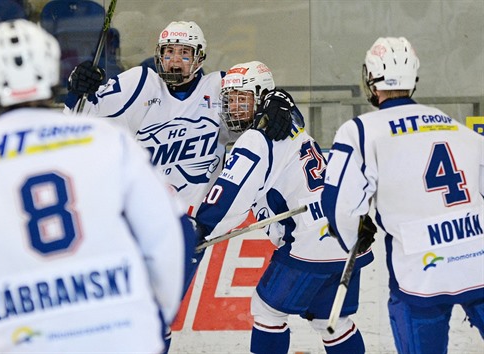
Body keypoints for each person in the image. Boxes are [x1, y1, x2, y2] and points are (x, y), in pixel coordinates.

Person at [0, 19, 192, 354]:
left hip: (22, 337)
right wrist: (155, 316)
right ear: (51, 72)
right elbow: (172, 231)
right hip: (118, 332)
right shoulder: (109, 140)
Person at [65, 20, 291, 350]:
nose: (174, 60)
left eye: (183, 53)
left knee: (155, 316)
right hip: (134, 223)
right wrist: (77, 88)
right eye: (168, 52)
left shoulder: (220, 87)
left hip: (187, 229)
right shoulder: (140, 84)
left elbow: (262, 93)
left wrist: (281, 100)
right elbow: (79, 117)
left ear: (199, 58)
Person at [195, 61, 374, 354]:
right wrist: (278, 97)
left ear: (262, 97)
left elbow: (230, 199)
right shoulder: (289, 121)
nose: (235, 108)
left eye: (244, 98)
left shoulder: (255, 138)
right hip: (343, 232)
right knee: (332, 321)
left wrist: (200, 228)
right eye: (231, 99)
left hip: (310, 241)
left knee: (267, 311)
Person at [321, 36, 484, 354]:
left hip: (420, 274)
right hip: (477, 262)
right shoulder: (458, 128)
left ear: (371, 79)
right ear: (414, 77)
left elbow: (338, 205)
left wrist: (355, 235)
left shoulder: (362, 131)